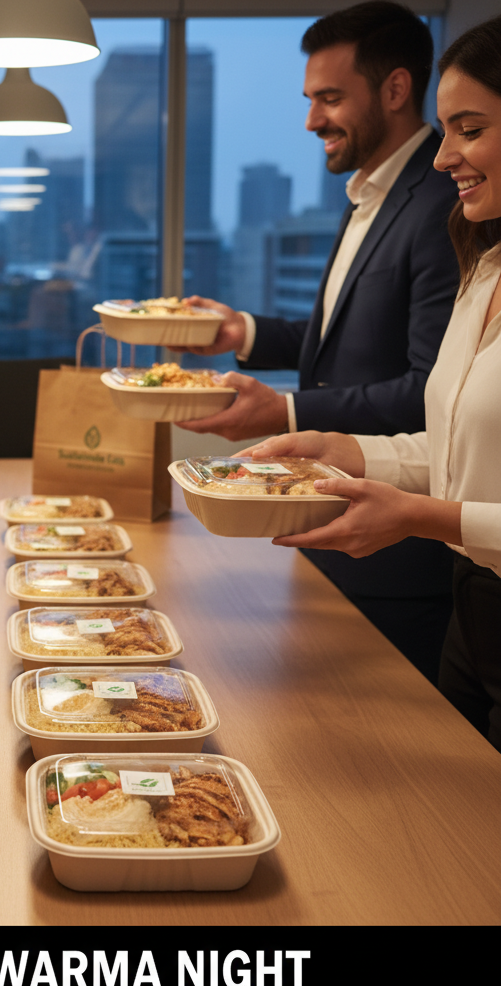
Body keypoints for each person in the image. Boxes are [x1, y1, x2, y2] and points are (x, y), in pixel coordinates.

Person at [239, 15, 501, 750]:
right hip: (473, 610)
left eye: (470, 129)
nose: (445, 156)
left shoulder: (440, 218)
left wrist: (424, 517)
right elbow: (453, 446)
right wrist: (345, 449)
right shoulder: (484, 266)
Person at [180, 2, 460, 682]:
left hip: (396, 559)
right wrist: (243, 332)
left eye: (329, 98)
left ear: (395, 89)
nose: (312, 121)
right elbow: (344, 340)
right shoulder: (372, 194)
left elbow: (431, 390)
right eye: (310, 100)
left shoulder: (442, 202)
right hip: (335, 539)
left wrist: (286, 412)